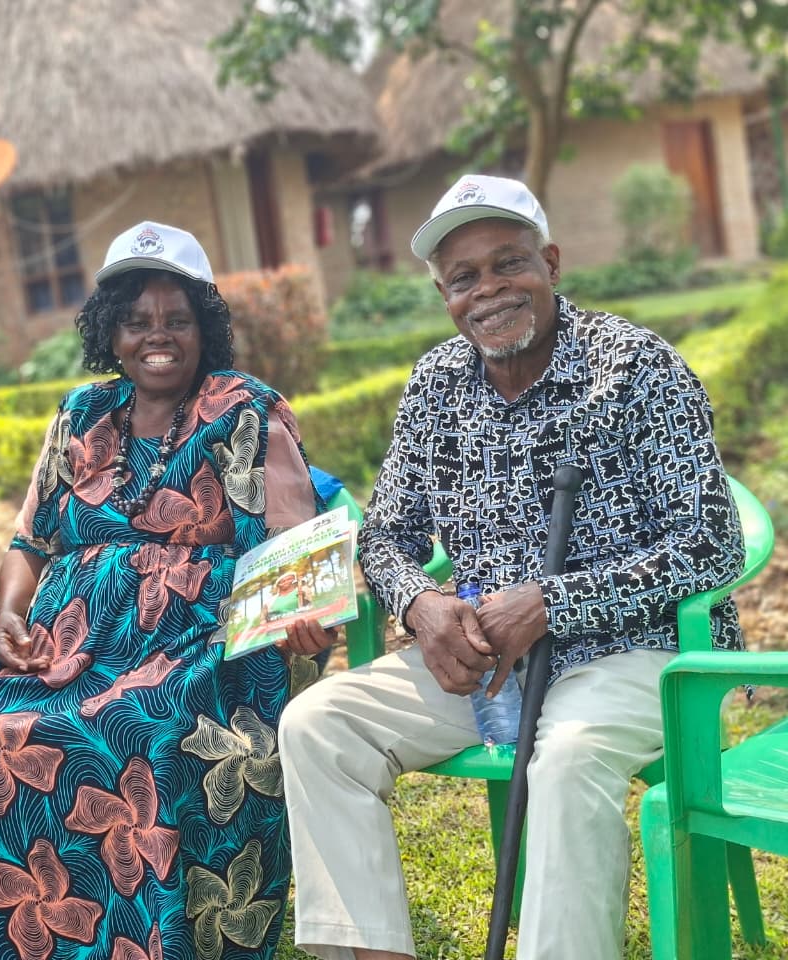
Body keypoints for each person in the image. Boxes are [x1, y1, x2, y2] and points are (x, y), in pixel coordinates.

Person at [278, 175, 745, 960]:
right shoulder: (434, 387)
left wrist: (554, 604)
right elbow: (384, 535)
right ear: (444, 296)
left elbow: (710, 541)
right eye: (464, 278)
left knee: (566, 760)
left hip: (632, 653)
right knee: (318, 724)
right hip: (487, 665)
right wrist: (424, 607)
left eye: (508, 264)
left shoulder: (635, 367)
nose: (488, 290)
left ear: (551, 263)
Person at [0, 221, 334, 960]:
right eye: (137, 321)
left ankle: (156, 942)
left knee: (147, 723)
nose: (158, 336)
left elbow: (292, 544)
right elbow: (30, 540)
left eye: (178, 320)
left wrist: (304, 617)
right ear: (110, 331)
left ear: (204, 327)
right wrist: (11, 614)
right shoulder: (80, 414)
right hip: (70, 639)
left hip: (197, 640)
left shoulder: (244, 408)